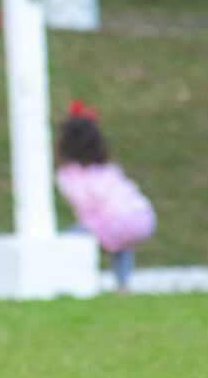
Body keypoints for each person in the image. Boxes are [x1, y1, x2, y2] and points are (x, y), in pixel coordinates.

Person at [52, 101, 155, 291]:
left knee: (65, 240)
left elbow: (85, 206)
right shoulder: (108, 169)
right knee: (121, 243)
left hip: (113, 221)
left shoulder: (70, 176)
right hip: (142, 217)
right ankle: (122, 285)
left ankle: (70, 285)